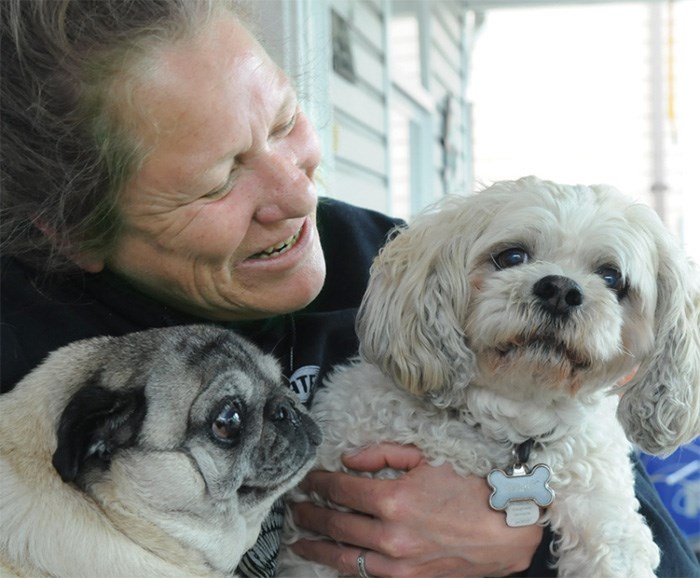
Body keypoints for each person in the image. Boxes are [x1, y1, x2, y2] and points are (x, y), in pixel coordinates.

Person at [1, 1, 697, 577]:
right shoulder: (22, 357)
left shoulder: (389, 261)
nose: (297, 191)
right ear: (72, 233)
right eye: (218, 181)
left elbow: (666, 561)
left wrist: (523, 541)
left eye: (285, 124)